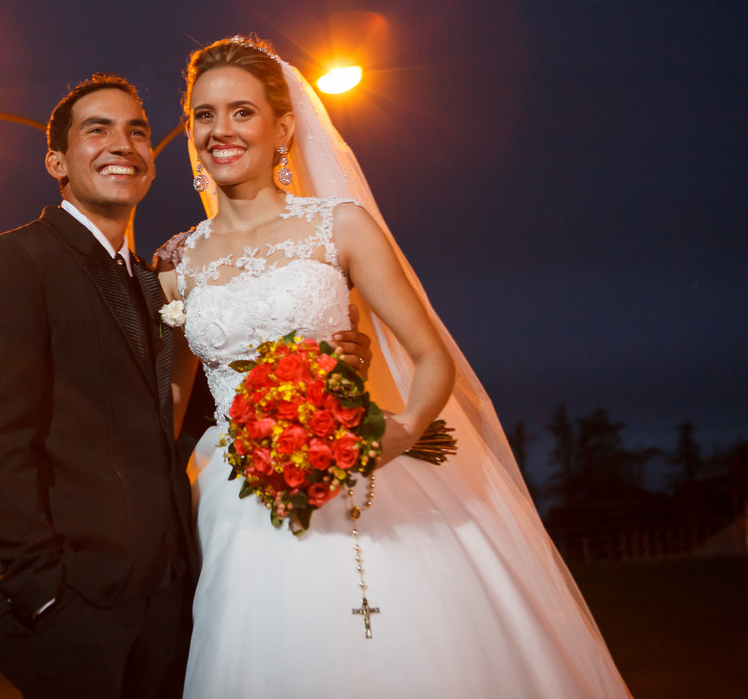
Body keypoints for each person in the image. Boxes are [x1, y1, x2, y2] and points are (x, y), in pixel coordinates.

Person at [158, 36, 631, 698]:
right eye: (203, 115)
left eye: (241, 111)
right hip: (241, 503)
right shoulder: (177, 262)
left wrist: (395, 435)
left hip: (364, 483)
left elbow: (430, 354)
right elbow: (168, 404)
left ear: (283, 127)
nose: (219, 131)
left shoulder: (339, 227)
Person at [0, 73, 373, 699]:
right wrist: (40, 590)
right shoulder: (18, 260)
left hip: (173, 602)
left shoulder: (157, 283)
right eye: (97, 130)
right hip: (74, 607)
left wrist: (328, 362)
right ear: (56, 161)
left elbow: (201, 405)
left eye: (137, 131)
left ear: (152, 161)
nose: (121, 143)